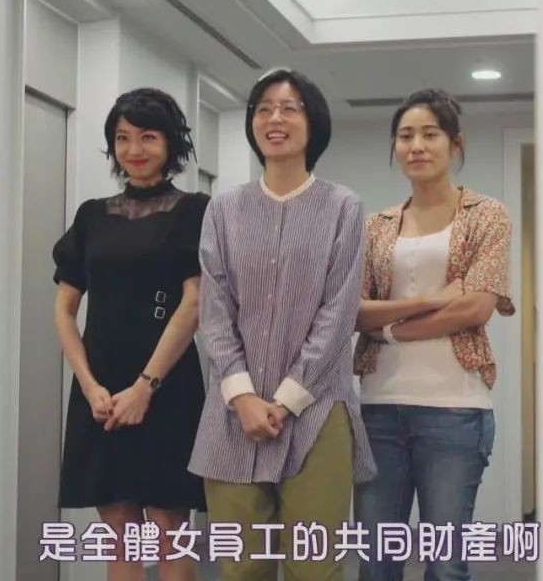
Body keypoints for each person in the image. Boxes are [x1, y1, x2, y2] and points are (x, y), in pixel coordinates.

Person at [188, 67, 377, 580]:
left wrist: (287, 397)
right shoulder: (224, 209)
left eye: (290, 108)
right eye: (264, 109)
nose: (275, 118)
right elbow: (215, 310)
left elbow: (338, 314)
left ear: (313, 124)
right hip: (234, 413)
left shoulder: (342, 207)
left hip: (317, 411)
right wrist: (243, 396)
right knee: (240, 567)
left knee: (315, 568)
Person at [352, 89, 516, 581]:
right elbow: (355, 312)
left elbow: (475, 307)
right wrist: (431, 300)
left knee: (445, 565)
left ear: (455, 143)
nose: (417, 146)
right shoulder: (375, 226)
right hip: (379, 406)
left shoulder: (487, 215)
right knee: (376, 563)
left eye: (430, 135)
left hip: (455, 409)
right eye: (405, 136)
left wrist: (390, 330)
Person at [52, 87, 209, 581]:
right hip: (100, 387)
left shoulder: (194, 210)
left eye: (147, 137)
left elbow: (194, 302)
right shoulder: (91, 216)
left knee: (168, 530)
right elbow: (64, 311)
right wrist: (88, 385)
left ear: (170, 143)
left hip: (166, 384)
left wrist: (146, 386)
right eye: (122, 138)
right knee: (120, 534)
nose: (134, 149)